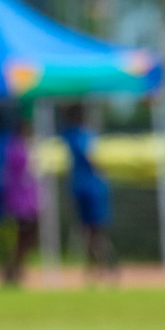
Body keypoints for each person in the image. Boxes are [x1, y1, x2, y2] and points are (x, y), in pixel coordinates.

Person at [60, 104, 116, 281]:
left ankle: (98, 266)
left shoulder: (72, 135)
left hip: (84, 187)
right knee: (94, 230)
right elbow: (92, 158)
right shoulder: (82, 135)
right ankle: (101, 265)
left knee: (91, 231)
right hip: (91, 187)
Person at [0, 116, 39, 286]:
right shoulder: (17, 148)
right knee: (23, 235)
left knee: (26, 236)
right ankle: (12, 268)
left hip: (26, 199)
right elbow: (23, 173)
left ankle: (14, 267)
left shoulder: (21, 147)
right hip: (21, 200)